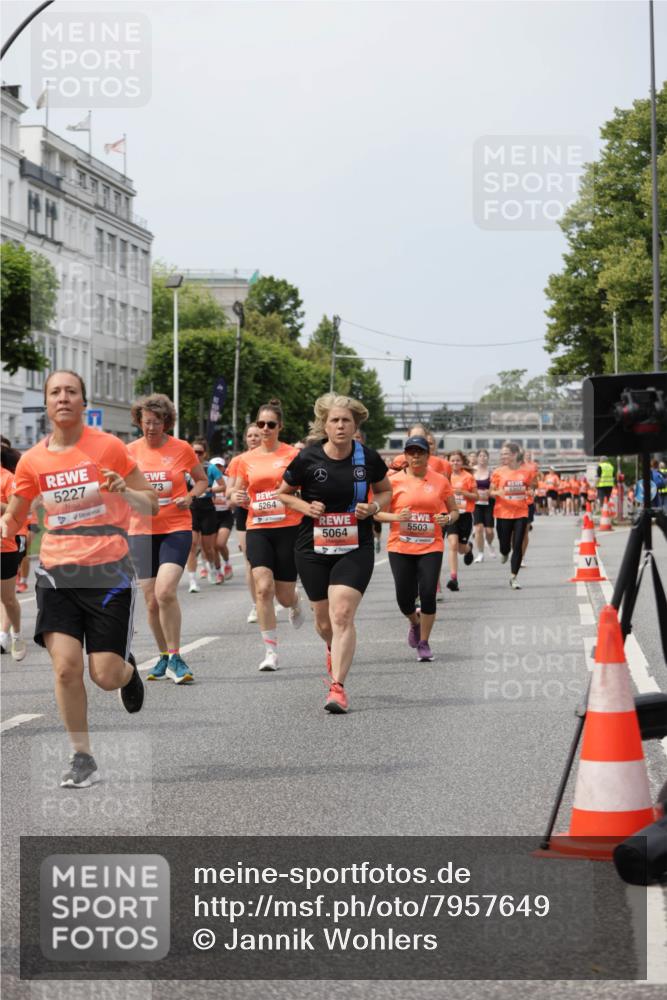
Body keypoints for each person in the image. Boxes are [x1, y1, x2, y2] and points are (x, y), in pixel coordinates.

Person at [0, 370, 157, 788]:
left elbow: (151, 504)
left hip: (109, 573)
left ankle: (127, 670)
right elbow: (17, 511)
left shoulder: (109, 448)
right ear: (47, 403)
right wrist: (6, 523)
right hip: (57, 573)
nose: (63, 398)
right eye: (56, 392)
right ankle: (82, 757)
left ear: (83, 402)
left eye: (71, 391)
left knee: (103, 676)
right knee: (66, 670)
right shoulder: (33, 460)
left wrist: (124, 489)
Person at [278, 393, 391, 712]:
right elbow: (283, 494)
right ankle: (331, 645)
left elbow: (385, 491)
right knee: (325, 620)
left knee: (342, 613)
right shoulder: (308, 458)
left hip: (355, 544)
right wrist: (305, 505)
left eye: (346, 420)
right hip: (312, 545)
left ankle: (338, 688)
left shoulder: (367, 458)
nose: (340, 425)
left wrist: (373, 506)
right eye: (335, 420)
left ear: (355, 426)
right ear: (325, 425)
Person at [127, 393, 209, 684]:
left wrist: (190, 496)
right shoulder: (129, 451)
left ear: (166, 423)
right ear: (139, 421)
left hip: (175, 527)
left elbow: (202, 480)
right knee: (150, 601)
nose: (151, 428)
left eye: (157, 422)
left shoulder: (181, 448)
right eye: (146, 422)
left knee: (164, 592)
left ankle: (176, 655)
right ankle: (163, 657)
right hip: (140, 532)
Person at [229, 399, 304, 672]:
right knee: (262, 588)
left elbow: (305, 488)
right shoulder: (245, 459)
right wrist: (235, 496)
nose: (264, 429)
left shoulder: (293, 455)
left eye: (271, 424)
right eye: (261, 424)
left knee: (283, 596)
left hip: (288, 527)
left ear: (280, 427)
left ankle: (295, 602)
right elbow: (235, 491)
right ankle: (270, 651)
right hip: (258, 527)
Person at [376, 435, 457, 662]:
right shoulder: (392, 481)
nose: (415, 456)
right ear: (405, 455)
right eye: (411, 452)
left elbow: (454, 511)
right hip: (400, 546)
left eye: (420, 452)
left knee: (429, 592)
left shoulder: (440, 480)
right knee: (404, 598)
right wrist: (395, 516)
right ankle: (414, 621)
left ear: (427, 455)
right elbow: (376, 512)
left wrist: (447, 518)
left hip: (431, 545)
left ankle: (424, 641)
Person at [226, 423, 262, 622]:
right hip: (246, 513)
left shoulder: (274, 457)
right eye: (250, 435)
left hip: (271, 514)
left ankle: (286, 596)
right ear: (246, 439)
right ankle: (256, 604)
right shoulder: (239, 461)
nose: (254, 438)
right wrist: (235, 496)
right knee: (250, 560)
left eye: (257, 435)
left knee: (272, 564)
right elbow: (228, 492)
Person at [491, 441, 533, 590]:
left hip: (521, 512)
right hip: (503, 513)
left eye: (506, 454)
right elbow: (491, 491)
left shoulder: (526, 472)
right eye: (502, 454)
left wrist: (530, 493)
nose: (503, 456)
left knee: (517, 545)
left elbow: (529, 489)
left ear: (515, 455)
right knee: (504, 545)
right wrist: (498, 493)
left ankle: (513, 576)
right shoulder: (498, 472)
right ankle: (504, 552)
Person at [186, 439, 225, 591]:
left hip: (207, 508)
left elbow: (223, 486)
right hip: (192, 508)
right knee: (192, 545)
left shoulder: (211, 468)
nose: (196, 455)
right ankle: (192, 581)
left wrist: (209, 490)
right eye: (193, 451)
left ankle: (212, 569)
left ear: (205, 454)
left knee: (208, 548)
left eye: (199, 452)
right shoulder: (185, 467)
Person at [1, 444, 27, 660]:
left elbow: (15, 507)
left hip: (4, 546)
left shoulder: (8, 478)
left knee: (8, 599)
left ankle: (16, 634)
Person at [445, 450, 478, 590]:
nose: (455, 463)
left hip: (465, 516)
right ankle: (454, 578)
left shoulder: (468, 477)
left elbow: (476, 497)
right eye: (452, 460)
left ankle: (469, 548)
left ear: (462, 462)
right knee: (452, 544)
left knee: (461, 549)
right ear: (448, 462)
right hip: (452, 515)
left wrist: (464, 493)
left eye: (458, 460)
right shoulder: (445, 477)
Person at [209, 456, 234, 582]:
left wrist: (230, 501)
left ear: (224, 468)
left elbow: (232, 495)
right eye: (215, 466)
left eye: (220, 466)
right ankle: (218, 572)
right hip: (211, 515)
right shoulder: (207, 480)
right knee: (213, 547)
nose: (217, 469)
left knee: (220, 543)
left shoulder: (228, 480)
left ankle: (227, 563)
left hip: (225, 515)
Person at [472, 447, 496, 562]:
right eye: (480, 456)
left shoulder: (492, 472)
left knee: (490, 531)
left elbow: (494, 487)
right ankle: (480, 553)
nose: (482, 458)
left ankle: (489, 543)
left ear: (488, 458)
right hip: (476, 503)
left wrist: (489, 492)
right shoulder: (472, 471)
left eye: (485, 456)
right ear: (477, 458)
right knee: (478, 528)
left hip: (489, 503)